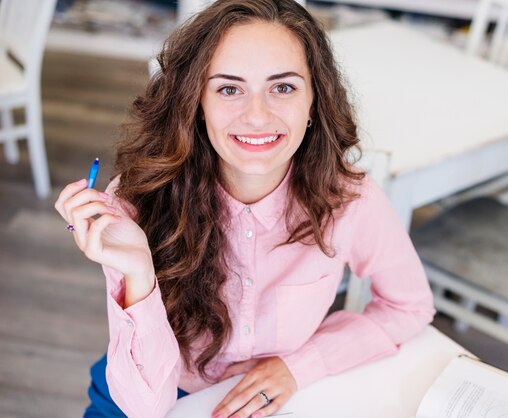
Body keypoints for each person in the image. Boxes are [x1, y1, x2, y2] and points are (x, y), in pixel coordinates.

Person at [54, 0, 435, 417]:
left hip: (279, 398)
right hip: (145, 388)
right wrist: (138, 270)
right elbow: (146, 408)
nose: (257, 115)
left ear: (315, 101)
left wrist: (299, 366)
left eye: (283, 87)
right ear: (197, 103)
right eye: (229, 88)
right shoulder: (137, 202)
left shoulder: (350, 198)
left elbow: (410, 305)